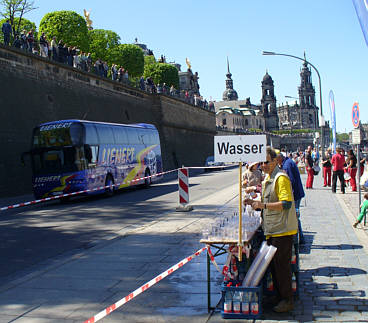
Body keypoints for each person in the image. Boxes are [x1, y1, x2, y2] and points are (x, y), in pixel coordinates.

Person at [246, 146, 298, 313]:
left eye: (266, 162)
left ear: (275, 161)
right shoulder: (269, 177)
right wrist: (254, 203)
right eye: (261, 163)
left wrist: (263, 205)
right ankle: (279, 297)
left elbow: (286, 203)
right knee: (275, 267)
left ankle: (287, 300)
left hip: (282, 230)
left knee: (282, 267)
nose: (263, 165)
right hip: (273, 229)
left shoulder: (280, 178)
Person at [276, 152, 306, 244]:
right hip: (297, 192)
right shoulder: (287, 162)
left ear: (279, 158)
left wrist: (288, 196)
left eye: (276, 160)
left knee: (294, 215)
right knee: (295, 215)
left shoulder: (287, 165)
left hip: (295, 194)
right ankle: (300, 238)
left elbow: (290, 181)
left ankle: (297, 239)